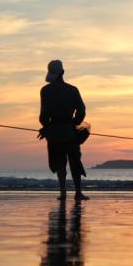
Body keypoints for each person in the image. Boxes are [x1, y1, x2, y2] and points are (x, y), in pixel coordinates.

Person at [38, 60, 89, 201]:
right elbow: (81, 111)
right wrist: (75, 123)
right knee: (75, 161)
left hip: (54, 132)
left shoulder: (45, 91)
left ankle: (63, 192)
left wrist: (46, 127)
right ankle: (78, 193)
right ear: (63, 72)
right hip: (70, 132)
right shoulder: (72, 90)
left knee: (59, 163)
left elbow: (43, 115)